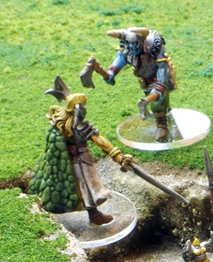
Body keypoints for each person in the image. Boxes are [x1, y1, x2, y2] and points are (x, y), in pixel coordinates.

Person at [31, 75, 137, 226]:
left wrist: (118, 156)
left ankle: (94, 215)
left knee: (86, 187)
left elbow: (99, 140)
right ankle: (94, 216)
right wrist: (118, 157)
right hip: (76, 161)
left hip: (82, 159)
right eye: (80, 107)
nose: (83, 109)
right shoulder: (66, 125)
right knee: (86, 187)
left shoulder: (76, 125)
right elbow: (97, 140)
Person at [101, 27, 177, 142]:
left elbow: (162, 68)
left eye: (135, 44)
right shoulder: (127, 49)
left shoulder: (154, 47)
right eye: (129, 44)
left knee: (157, 102)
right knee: (151, 96)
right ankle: (164, 110)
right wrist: (111, 72)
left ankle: (162, 126)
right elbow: (120, 59)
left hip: (158, 78)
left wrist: (158, 87)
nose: (132, 47)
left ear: (142, 41)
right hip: (144, 80)